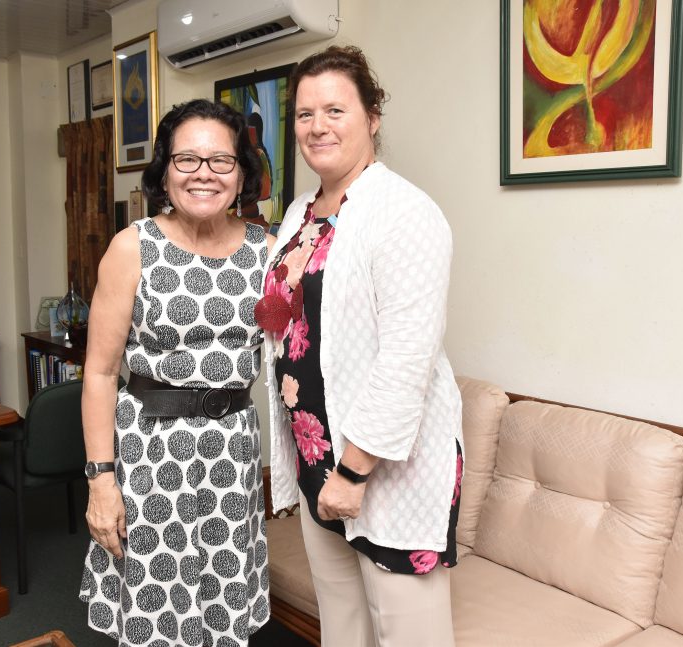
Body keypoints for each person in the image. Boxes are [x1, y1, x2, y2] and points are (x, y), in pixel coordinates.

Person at [255, 46, 463, 647]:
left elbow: (406, 362)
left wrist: (352, 472)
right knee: (343, 629)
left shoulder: (406, 214)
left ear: (372, 116)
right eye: (303, 114)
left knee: (408, 636)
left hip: (379, 466)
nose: (317, 126)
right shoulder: (299, 212)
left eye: (335, 110)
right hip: (317, 454)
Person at [79, 98, 276, 647]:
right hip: (149, 455)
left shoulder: (268, 251)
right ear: (165, 170)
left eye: (221, 160)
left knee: (221, 610)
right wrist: (100, 481)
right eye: (187, 159)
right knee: (158, 614)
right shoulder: (133, 247)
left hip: (231, 455)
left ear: (242, 173)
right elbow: (98, 373)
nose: (204, 174)